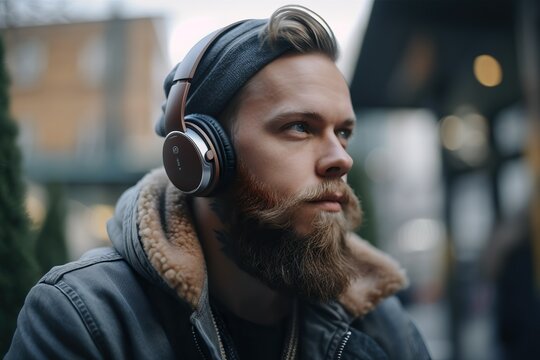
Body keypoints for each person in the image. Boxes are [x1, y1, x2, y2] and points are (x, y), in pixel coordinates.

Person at [6, 5, 430, 359]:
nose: (341, 158)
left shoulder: (383, 325)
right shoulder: (85, 318)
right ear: (199, 155)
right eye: (300, 127)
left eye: (343, 132)